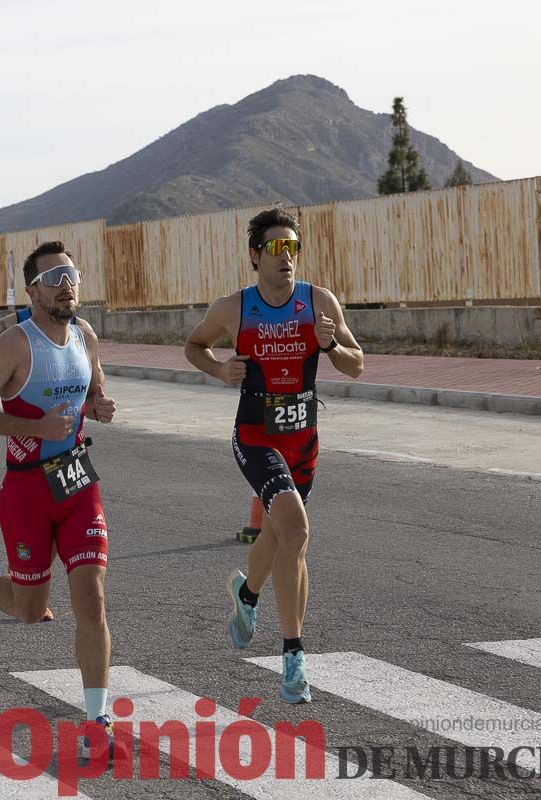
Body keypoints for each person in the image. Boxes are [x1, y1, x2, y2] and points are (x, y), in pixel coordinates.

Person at [183, 207, 363, 704]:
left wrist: (331, 347)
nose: (287, 258)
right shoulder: (233, 308)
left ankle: (246, 595)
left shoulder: (318, 302)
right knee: (296, 529)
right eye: (276, 249)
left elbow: (357, 365)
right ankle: (293, 659)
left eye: (293, 248)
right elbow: (194, 346)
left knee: (278, 531)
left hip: (303, 439)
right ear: (254, 257)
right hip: (256, 436)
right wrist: (220, 371)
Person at [0, 241, 117, 760]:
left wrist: (98, 404)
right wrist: (33, 425)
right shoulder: (15, 345)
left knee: (90, 598)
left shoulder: (85, 336)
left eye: (71, 273)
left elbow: (93, 389)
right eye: (54, 277)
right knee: (32, 611)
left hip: (76, 484)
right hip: (26, 489)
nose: (66, 283)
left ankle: (97, 718)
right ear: (32, 290)